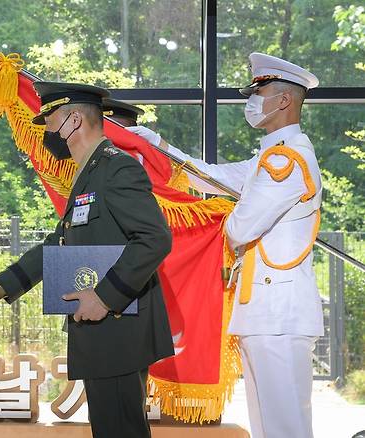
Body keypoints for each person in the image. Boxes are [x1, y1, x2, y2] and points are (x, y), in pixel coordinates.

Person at [0, 82, 174, 438]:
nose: (46, 131)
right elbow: (57, 247)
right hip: (105, 330)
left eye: (50, 120)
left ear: (74, 120)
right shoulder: (89, 173)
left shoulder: (116, 169)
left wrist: (105, 296)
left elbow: (155, 239)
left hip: (119, 329)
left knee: (121, 429)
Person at [128, 52, 323, 438]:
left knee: (286, 427)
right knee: (268, 425)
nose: (251, 100)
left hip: (279, 315)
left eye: (259, 90)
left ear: (283, 100)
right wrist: (159, 146)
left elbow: (238, 228)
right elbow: (212, 177)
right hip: (265, 314)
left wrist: (209, 217)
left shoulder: (287, 160)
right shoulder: (269, 157)